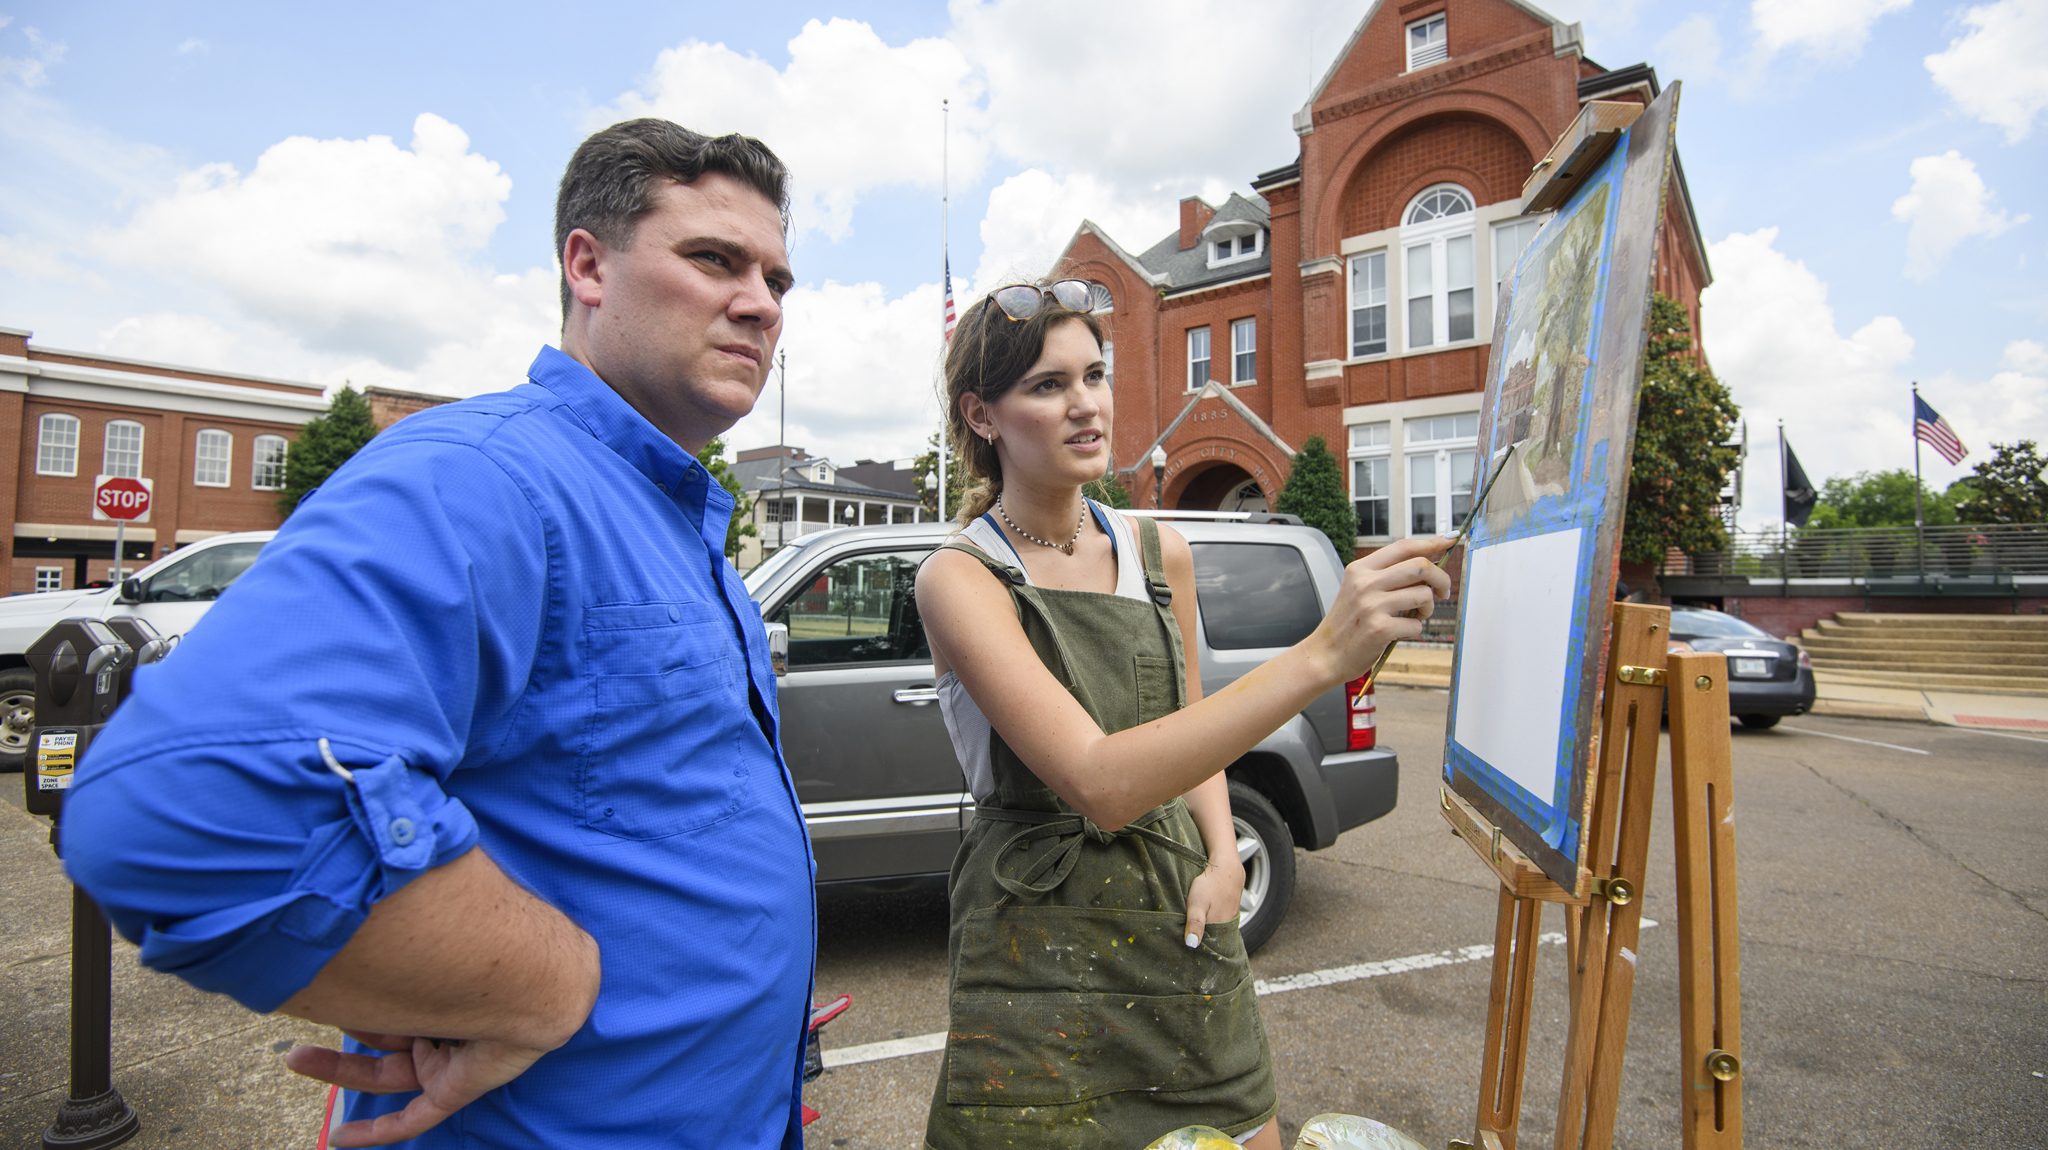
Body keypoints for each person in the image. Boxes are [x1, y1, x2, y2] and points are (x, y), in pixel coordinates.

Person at [61, 119, 814, 1149]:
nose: (761, 303)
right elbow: (180, 812)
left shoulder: (677, 521)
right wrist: (550, 986)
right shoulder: (483, 474)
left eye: (777, 279)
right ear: (587, 266)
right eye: (715, 259)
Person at [915, 278, 1454, 1148]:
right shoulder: (960, 578)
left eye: (1095, 375)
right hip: (1032, 939)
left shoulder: (1159, 552)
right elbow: (1099, 782)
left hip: (1180, 911)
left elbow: (1190, 721)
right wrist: (1322, 654)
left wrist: (1224, 857)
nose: (1086, 404)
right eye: (1049, 385)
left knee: (1243, 1131)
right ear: (983, 416)